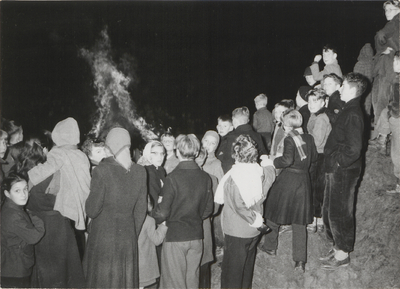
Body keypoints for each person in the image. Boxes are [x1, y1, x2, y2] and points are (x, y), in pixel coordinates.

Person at [83, 127, 147, 288]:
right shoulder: (140, 171)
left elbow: (92, 210)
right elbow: (141, 209)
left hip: (102, 238)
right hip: (127, 237)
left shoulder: (101, 170)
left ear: (109, 146)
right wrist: (132, 232)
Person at [152, 134, 214, 289]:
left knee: (174, 283)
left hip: (176, 237)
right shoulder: (206, 178)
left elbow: (162, 213)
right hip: (196, 236)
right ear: (196, 152)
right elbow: (208, 209)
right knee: (192, 280)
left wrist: (153, 212)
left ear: (178, 152)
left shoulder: (172, 178)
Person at [21, 143, 86, 288]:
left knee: (42, 267)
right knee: (63, 269)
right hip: (57, 224)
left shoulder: (24, 174)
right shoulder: (55, 173)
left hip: (35, 223)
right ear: (44, 151)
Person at [215, 134, 275, 288]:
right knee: (247, 268)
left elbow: (239, 205)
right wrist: (267, 161)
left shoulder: (234, 178)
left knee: (231, 274)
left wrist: (254, 219)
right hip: (254, 232)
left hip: (237, 231)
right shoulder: (261, 172)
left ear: (235, 154)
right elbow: (271, 173)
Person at [321, 72, 367, 269]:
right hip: (338, 168)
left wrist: (338, 161)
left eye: (343, 86)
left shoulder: (353, 113)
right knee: (331, 210)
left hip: (344, 170)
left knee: (340, 212)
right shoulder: (349, 110)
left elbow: (354, 149)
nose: (340, 89)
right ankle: (337, 245)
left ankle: (343, 254)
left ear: (353, 89)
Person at [261, 109, 317, 273]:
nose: (283, 127)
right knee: (299, 221)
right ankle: (300, 261)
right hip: (303, 181)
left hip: (288, 180)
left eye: (284, 124)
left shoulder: (289, 139)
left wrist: (271, 160)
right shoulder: (309, 138)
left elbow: (286, 160)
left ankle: (270, 247)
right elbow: (313, 158)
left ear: (288, 125)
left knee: (273, 211)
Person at [27, 117, 91, 231]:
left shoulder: (58, 153)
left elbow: (45, 170)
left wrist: (29, 182)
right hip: (83, 199)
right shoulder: (82, 155)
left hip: (67, 202)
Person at [1, 174, 45, 288]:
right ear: (7, 193)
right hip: (15, 268)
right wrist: (38, 220)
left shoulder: (11, 207)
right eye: (17, 191)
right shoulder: (13, 215)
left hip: (12, 264)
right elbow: (34, 237)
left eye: (25, 189)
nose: (24, 194)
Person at [306, 89, 332, 233]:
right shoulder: (314, 115)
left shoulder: (321, 117)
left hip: (319, 156)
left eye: (315, 101)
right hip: (317, 155)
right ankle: (318, 218)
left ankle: (316, 219)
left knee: (317, 187)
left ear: (323, 102)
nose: (311, 104)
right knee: (316, 186)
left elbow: (316, 141)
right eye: (309, 101)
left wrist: (303, 141)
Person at [371, 0, 399, 127]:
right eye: (386, 10)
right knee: (391, 98)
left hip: (389, 65)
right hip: (394, 64)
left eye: (390, 9)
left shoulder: (394, 22)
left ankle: (379, 134)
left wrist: (382, 49)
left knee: (382, 98)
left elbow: (380, 35)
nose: (386, 12)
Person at [218, 107, 267, 173]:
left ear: (234, 121)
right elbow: (264, 157)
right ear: (247, 120)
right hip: (254, 174)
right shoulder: (258, 136)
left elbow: (226, 163)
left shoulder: (230, 137)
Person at [138, 195, 168, 289]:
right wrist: (163, 225)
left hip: (135, 264)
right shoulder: (149, 220)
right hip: (146, 265)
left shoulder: (130, 218)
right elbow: (157, 240)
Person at [386, 51, 400, 193]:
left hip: (398, 119)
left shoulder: (398, 81)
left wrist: (393, 115)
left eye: (396, 62)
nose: (394, 64)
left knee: (397, 152)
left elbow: (396, 103)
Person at [138, 140, 167, 205]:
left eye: (162, 153)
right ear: (148, 154)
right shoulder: (148, 172)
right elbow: (153, 202)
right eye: (155, 153)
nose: (160, 157)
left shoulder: (160, 170)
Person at [353, 43, 374, 116]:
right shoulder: (371, 63)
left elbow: (355, 79)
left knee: (361, 109)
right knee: (366, 109)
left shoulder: (360, 63)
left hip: (360, 89)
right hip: (368, 90)